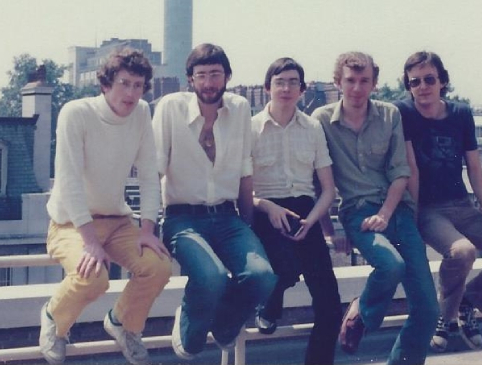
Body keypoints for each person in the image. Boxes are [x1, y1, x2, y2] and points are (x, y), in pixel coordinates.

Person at [396, 51, 482, 353]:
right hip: (426, 209)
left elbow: (474, 167)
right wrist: (412, 214)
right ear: (409, 86)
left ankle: (468, 304)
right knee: (462, 252)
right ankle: (444, 318)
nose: (422, 86)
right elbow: (410, 168)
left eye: (429, 79)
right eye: (415, 82)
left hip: (462, 205)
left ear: (442, 82)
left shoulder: (460, 114)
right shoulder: (404, 112)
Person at [40, 49, 172, 365]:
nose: (131, 93)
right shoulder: (75, 113)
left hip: (117, 220)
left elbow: (149, 177)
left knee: (159, 268)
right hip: (71, 224)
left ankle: (123, 324)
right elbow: (68, 181)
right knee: (93, 278)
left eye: (138, 85)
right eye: (124, 83)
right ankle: (54, 321)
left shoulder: (142, 113)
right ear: (105, 84)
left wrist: (148, 230)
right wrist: (90, 242)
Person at [312, 52, 439, 365]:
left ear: (375, 83)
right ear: (337, 82)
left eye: (364, 81)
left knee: (428, 308)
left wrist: (385, 213)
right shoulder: (321, 121)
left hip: (397, 210)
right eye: (350, 81)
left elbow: (401, 172)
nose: (357, 88)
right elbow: (318, 182)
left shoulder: (389, 115)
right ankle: (361, 311)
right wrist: (330, 231)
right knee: (390, 265)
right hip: (357, 212)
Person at [153, 43, 276, 360]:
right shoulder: (170, 108)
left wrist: (248, 228)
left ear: (228, 77)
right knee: (211, 277)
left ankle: (224, 325)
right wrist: (147, 228)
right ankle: (189, 331)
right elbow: (153, 171)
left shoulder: (239, 109)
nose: (209, 83)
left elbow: (245, 173)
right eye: (202, 75)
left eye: (216, 75)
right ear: (190, 80)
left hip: (227, 217)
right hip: (182, 218)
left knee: (262, 276)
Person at [250, 57, 342, 365]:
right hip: (266, 212)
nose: (286, 88)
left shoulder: (313, 127)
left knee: (330, 306)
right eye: (280, 82)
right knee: (286, 268)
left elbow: (328, 189)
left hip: (305, 213)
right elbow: (239, 191)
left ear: (302, 90)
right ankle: (269, 306)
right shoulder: (250, 129)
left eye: (293, 82)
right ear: (267, 88)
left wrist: (313, 220)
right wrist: (267, 206)